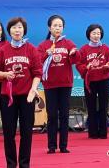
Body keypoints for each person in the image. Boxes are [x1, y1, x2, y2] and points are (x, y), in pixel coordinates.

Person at [0, 17, 42, 168]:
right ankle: (11, 164)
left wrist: (33, 89)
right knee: (9, 133)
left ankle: (25, 164)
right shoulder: (3, 50)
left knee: (27, 132)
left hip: (27, 97)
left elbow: (38, 73)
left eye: (20, 27)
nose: (17, 30)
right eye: (14, 27)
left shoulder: (31, 49)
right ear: (9, 31)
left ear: (24, 30)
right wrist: (5, 74)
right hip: (8, 97)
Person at [37, 15, 80, 153]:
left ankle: (63, 146)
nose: (57, 28)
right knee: (52, 116)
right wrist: (46, 54)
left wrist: (73, 53)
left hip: (65, 84)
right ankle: (51, 146)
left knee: (64, 115)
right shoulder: (43, 45)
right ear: (49, 28)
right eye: (55, 25)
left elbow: (76, 60)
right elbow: (37, 62)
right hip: (50, 85)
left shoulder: (68, 43)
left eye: (60, 26)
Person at [76, 24, 109, 139]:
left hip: (103, 81)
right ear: (89, 34)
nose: (96, 36)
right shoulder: (83, 49)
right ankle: (92, 133)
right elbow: (78, 64)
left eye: (98, 33)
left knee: (103, 106)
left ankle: (103, 132)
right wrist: (86, 67)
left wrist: (107, 66)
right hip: (89, 82)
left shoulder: (106, 48)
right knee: (91, 106)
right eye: (94, 33)